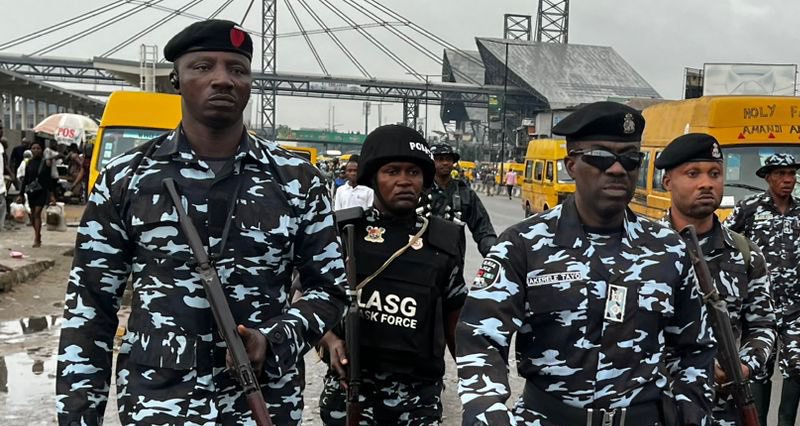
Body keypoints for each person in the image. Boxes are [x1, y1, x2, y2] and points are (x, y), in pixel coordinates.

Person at [55, 20, 346, 425]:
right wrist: (77, 418)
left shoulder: (296, 181)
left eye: (237, 69)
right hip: (159, 403)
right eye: (203, 66)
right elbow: (89, 308)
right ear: (175, 79)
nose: (222, 80)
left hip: (263, 404)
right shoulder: (126, 179)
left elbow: (330, 290)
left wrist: (274, 339)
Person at [455, 102, 715, 425]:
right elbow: (481, 337)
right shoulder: (522, 246)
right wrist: (488, 411)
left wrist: (690, 413)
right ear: (571, 164)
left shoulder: (669, 250)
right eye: (602, 157)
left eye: (630, 158)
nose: (618, 169)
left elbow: (695, 348)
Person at [315, 124, 466, 425]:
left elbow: (456, 327)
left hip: (416, 400)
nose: (404, 181)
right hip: (351, 395)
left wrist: (476, 387)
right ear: (373, 177)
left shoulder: (442, 241)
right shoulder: (344, 233)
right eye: (392, 171)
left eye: (413, 172)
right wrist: (329, 340)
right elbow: (304, 297)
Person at [657, 133, 777, 426]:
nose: (706, 183)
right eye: (692, 173)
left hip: (724, 411)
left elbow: (762, 324)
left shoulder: (745, 253)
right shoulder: (646, 252)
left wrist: (744, 365)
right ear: (667, 182)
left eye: (715, 173)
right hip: (660, 408)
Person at [724, 153, 800, 426]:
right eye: (781, 174)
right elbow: (725, 242)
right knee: (759, 370)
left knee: (796, 367)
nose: (788, 180)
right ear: (768, 177)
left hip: (797, 305)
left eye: (792, 174)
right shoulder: (748, 209)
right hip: (762, 306)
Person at [428, 143, 497, 255]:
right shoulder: (419, 190)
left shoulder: (465, 193)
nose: (445, 163)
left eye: (449, 159)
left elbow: (483, 229)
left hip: (452, 257)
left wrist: (493, 254)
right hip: (423, 257)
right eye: (439, 159)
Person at [21, 140, 56, 247]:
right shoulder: (29, 163)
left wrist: (51, 195)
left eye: (38, 148)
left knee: (37, 214)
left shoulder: (45, 163)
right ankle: (38, 233)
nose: (36, 150)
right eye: (33, 148)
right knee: (32, 215)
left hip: (42, 192)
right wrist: (20, 194)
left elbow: (49, 180)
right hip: (31, 192)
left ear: (41, 150)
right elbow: (25, 179)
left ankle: (36, 238)